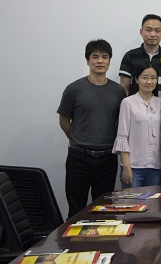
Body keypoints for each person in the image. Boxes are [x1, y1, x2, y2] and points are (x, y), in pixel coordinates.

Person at [57, 39, 126, 218]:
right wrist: (78, 139)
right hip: (78, 158)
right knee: (76, 210)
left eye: (104, 57)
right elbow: (64, 120)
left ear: (109, 61)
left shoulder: (118, 91)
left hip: (107, 158)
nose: (100, 61)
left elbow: (121, 123)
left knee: (103, 211)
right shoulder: (74, 89)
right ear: (87, 60)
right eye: (95, 57)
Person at [112, 62, 161, 188]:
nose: (149, 81)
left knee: (153, 201)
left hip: (156, 166)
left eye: (153, 78)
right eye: (145, 77)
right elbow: (122, 136)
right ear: (136, 79)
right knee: (132, 201)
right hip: (133, 166)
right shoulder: (128, 102)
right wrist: (126, 166)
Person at [119, 14, 161, 99]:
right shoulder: (130, 56)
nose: (153, 34)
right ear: (141, 32)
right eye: (149, 30)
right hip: (135, 105)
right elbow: (124, 88)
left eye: (157, 31)